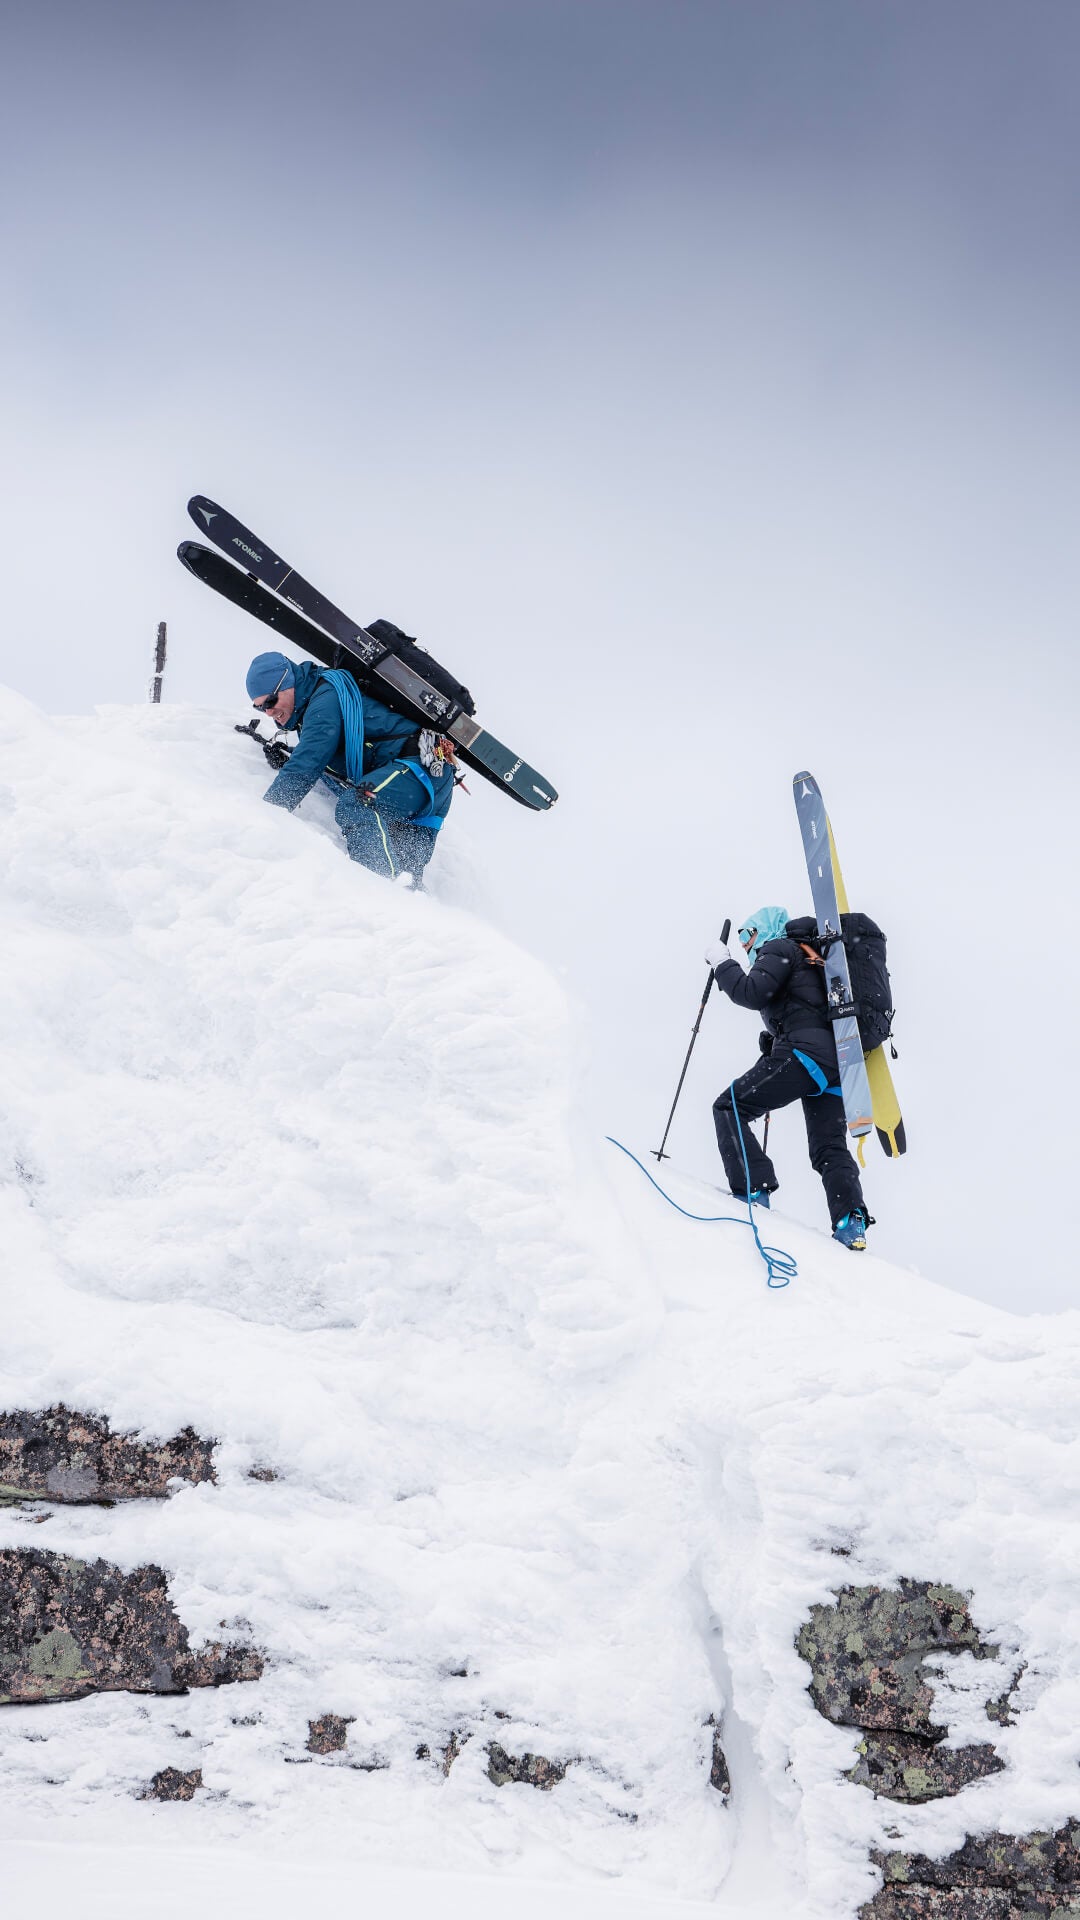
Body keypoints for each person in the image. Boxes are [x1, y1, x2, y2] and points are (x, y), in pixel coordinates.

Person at [705, 905, 871, 1250]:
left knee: (729, 1106)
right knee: (828, 1147)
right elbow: (804, 1008)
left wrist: (723, 963)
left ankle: (753, 1185)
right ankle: (850, 1220)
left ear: (766, 931)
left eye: (749, 938)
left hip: (805, 1057)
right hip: (836, 1065)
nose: (748, 948)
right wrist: (777, 1039)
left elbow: (751, 992)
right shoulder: (814, 958)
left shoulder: (780, 948)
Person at [245, 650, 456, 883]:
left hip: (415, 769)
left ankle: (386, 894)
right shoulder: (315, 709)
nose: (268, 712)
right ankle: (409, 910)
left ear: (289, 682)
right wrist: (290, 756)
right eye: (260, 708)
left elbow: (308, 763)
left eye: (271, 701)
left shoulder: (324, 699)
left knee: (356, 804)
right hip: (424, 783)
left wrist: (265, 817)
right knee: (406, 874)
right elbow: (320, 756)